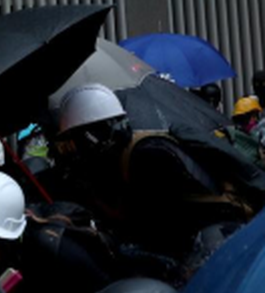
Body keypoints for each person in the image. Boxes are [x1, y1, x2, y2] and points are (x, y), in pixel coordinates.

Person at [55, 83, 265, 260]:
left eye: (77, 143)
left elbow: (160, 225)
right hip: (202, 231)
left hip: (222, 231)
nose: (77, 153)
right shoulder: (130, 150)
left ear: (93, 137)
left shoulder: (148, 156)